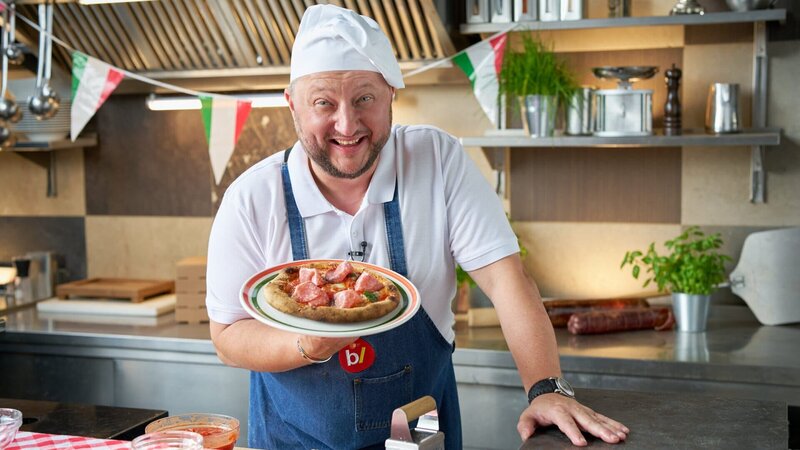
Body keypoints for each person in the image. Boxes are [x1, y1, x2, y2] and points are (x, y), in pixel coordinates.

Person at [206, 4, 629, 449]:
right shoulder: (253, 197)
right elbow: (228, 336)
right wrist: (306, 345)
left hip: (422, 438)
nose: (347, 124)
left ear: (391, 94)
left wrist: (545, 388)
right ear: (292, 104)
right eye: (323, 102)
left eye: (364, 98)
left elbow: (506, 279)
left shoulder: (437, 161)